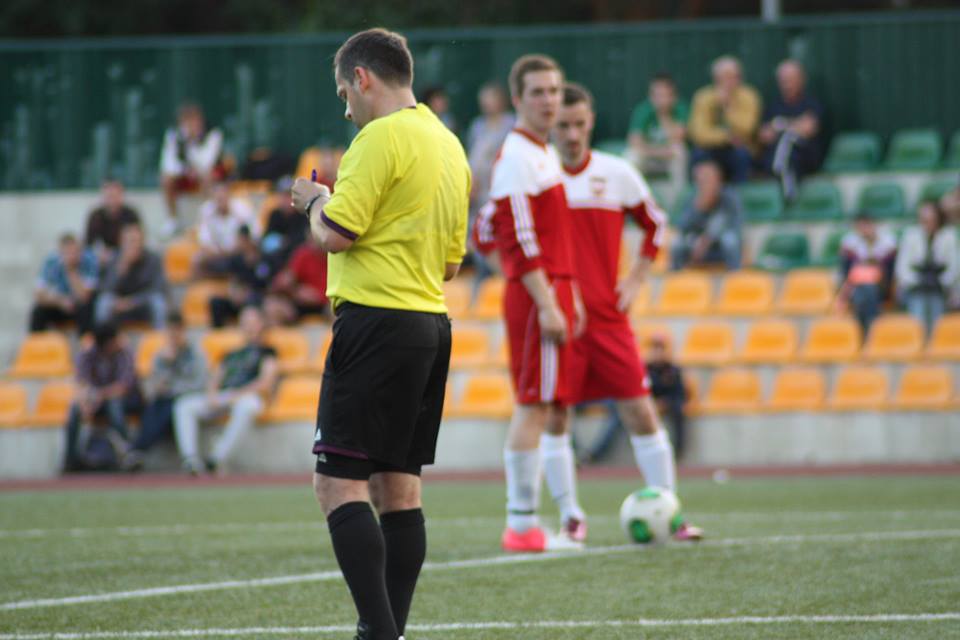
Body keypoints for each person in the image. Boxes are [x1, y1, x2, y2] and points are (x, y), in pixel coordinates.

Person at [289, 28, 469, 640]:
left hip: (375, 323)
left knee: (336, 483)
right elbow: (450, 264)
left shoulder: (375, 137)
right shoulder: (449, 145)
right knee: (399, 487)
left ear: (363, 78)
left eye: (344, 92)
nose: (346, 106)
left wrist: (314, 199)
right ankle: (386, 630)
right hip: (430, 324)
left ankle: (378, 630)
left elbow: (336, 232)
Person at [546, 82, 701, 542]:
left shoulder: (617, 173)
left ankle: (670, 514)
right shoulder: (537, 176)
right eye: (563, 125)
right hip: (559, 322)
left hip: (609, 319)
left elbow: (655, 223)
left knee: (641, 412)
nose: (572, 134)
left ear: (590, 122)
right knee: (557, 417)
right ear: (549, 125)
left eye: (579, 124)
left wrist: (633, 280)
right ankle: (571, 520)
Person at [473, 55, 586, 554]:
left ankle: (557, 519)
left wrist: (569, 292)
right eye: (538, 91)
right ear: (517, 99)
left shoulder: (542, 153)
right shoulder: (517, 155)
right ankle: (521, 526)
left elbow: (492, 231)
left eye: (555, 91)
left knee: (550, 405)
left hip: (550, 289)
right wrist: (545, 300)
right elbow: (513, 237)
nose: (549, 100)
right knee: (533, 404)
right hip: (535, 293)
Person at [173, 305, 278, 475]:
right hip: (226, 395)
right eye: (245, 322)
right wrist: (212, 395)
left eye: (253, 322)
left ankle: (216, 459)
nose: (249, 326)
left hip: (246, 396)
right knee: (184, 405)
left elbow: (265, 382)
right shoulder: (230, 353)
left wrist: (237, 394)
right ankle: (190, 460)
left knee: (248, 405)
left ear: (261, 324)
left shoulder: (267, 352)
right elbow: (215, 378)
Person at [122, 312, 206, 471]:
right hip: (164, 400)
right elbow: (155, 383)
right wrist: (167, 365)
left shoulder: (195, 354)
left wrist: (172, 388)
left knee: (168, 407)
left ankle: (136, 449)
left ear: (183, 331)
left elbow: (199, 384)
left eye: (176, 331)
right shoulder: (162, 355)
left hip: (185, 399)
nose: (173, 337)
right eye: (170, 332)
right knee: (154, 406)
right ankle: (136, 450)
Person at [62, 323, 142, 472]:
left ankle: (127, 454)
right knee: (74, 410)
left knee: (114, 405)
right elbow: (81, 384)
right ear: (108, 343)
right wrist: (84, 402)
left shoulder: (124, 353)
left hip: (127, 400)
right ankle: (70, 459)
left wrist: (98, 396)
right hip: (97, 400)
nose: (120, 341)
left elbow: (123, 387)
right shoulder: (87, 355)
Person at [758, 60, 824, 200]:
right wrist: (795, 124)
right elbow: (764, 135)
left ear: (801, 80)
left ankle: (789, 195)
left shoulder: (811, 104)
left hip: (804, 158)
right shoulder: (774, 106)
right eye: (783, 80)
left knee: (789, 141)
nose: (787, 84)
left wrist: (780, 125)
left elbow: (809, 128)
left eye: (791, 80)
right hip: (773, 159)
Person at [689, 55, 761, 183]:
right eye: (727, 77)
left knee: (742, 156)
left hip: (739, 149)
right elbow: (699, 134)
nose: (732, 81)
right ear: (716, 79)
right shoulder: (703, 97)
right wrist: (726, 137)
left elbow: (748, 128)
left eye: (736, 76)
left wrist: (728, 109)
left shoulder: (748, 95)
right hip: (712, 148)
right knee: (698, 155)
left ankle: (739, 196)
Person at [159, 102, 227, 235]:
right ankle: (173, 220)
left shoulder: (213, 134)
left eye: (194, 120)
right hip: (185, 175)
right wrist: (185, 170)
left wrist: (192, 143)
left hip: (208, 175)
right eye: (187, 120)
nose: (191, 125)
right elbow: (168, 163)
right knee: (165, 179)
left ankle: (209, 217)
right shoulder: (173, 135)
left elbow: (207, 162)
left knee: (207, 176)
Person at [895, 200, 959, 334]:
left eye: (931, 219)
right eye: (924, 219)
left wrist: (941, 282)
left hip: (941, 287)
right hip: (916, 286)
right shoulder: (911, 235)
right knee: (919, 300)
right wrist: (918, 281)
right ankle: (920, 339)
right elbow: (902, 268)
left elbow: (954, 267)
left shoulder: (949, 235)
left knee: (936, 300)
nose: (928, 223)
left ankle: (936, 338)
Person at [671, 160, 743, 270]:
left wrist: (707, 239)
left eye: (708, 179)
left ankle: (734, 276)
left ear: (718, 179)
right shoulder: (692, 197)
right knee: (677, 242)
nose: (705, 184)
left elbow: (735, 226)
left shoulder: (729, 197)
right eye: (702, 180)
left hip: (718, 243)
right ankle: (676, 278)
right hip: (696, 241)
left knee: (730, 240)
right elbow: (682, 227)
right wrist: (698, 209)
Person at [94, 223, 168, 329]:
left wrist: (133, 301)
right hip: (119, 306)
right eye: (131, 241)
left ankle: (160, 338)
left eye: (138, 241)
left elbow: (157, 289)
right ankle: (103, 340)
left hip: (143, 305)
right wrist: (119, 272)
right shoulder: (114, 259)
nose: (135, 245)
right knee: (103, 302)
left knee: (159, 303)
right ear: (121, 242)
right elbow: (104, 289)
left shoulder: (153, 259)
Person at [626, 73, 689, 196]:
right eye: (657, 95)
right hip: (651, 156)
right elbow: (634, 141)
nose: (661, 99)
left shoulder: (680, 109)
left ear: (673, 96)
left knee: (680, 152)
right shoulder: (643, 110)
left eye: (665, 95)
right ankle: (632, 198)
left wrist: (663, 114)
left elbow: (678, 138)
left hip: (668, 158)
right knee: (631, 155)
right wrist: (656, 152)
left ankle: (678, 198)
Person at [838, 212, 897, 333]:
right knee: (864, 291)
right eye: (860, 226)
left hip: (882, 285)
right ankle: (871, 329)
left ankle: (865, 331)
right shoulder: (850, 242)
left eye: (867, 225)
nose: (864, 230)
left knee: (867, 290)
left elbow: (889, 268)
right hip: (856, 286)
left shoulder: (887, 240)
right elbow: (847, 270)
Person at [29, 233, 98, 334]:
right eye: (68, 252)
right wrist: (60, 301)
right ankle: (37, 345)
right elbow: (39, 294)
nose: (72, 256)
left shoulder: (89, 260)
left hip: (79, 306)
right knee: (38, 311)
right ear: (60, 252)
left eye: (75, 252)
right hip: (59, 304)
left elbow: (85, 296)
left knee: (87, 307)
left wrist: (71, 271)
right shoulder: (51, 262)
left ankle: (86, 344)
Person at [466, 82, 516, 215]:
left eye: (490, 97)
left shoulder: (511, 123)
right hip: (477, 189)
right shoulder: (477, 125)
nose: (485, 102)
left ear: (501, 100)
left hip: (498, 185)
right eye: (483, 97)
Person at [208, 226, 272, 327]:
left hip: (256, 298)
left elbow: (266, 284)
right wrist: (234, 291)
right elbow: (232, 278)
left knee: (254, 301)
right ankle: (218, 332)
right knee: (216, 302)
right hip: (239, 297)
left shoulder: (263, 259)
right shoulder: (236, 259)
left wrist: (249, 293)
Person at [194, 181, 259, 277]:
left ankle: (241, 284)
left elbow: (254, 234)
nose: (221, 201)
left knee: (251, 255)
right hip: (217, 254)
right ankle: (205, 287)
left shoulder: (243, 209)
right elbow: (204, 239)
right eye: (218, 198)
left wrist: (238, 247)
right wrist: (217, 252)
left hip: (238, 252)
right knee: (197, 260)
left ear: (229, 196)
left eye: (223, 198)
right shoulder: (207, 211)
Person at [265, 236, 329, 326]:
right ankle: (280, 338)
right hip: (299, 304)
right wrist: (295, 291)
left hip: (324, 304)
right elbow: (282, 283)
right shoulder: (303, 254)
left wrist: (318, 296)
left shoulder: (334, 257)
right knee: (272, 306)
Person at [645, 334, 689, 461]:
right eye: (655, 348)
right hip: (650, 404)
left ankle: (678, 452)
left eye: (661, 348)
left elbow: (680, 393)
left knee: (678, 411)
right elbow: (643, 392)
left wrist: (666, 402)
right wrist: (653, 403)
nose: (658, 352)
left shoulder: (673, 370)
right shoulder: (646, 369)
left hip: (669, 403)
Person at [83, 178, 141, 267]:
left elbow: (137, 241)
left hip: (126, 255)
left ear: (121, 195)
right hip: (101, 258)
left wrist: (119, 254)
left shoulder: (131, 215)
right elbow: (89, 244)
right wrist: (99, 253)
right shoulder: (95, 216)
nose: (111, 200)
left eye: (114, 195)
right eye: (108, 196)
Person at [261, 176, 310, 272]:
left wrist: (283, 242)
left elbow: (301, 241)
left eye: (289, 195)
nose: (286, 199)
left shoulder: (302, 215)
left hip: (294, 262)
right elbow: (266, 238)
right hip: (275, 259)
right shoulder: (275, 214)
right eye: (283, 195)